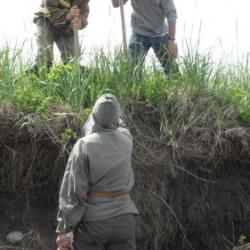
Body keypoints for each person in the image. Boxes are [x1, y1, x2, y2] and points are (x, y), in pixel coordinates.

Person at [56, 94, 139, 250]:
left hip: (94, 224)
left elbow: (73, 192)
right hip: (125, 220)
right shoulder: (127, 139)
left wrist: (64, 229)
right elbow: (117, 123)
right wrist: (110, 112)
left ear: (94, 116)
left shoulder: (84, 146)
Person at [111, 0, 178, 76]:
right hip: (138, 32)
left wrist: (171, 40)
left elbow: (172, 15)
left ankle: (179, 85)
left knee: (172, 70)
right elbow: (116, 4)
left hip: (159, 34)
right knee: (132, 68)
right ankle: (135, 86)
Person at [31, 0, 90, 73]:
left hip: (67, 25)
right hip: (45, 19)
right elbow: (49, 7)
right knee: (44, 54)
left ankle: (66, 75)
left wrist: (80, 22)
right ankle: (39, 73)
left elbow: (83, 13)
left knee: (72, 59)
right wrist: (67, 15)